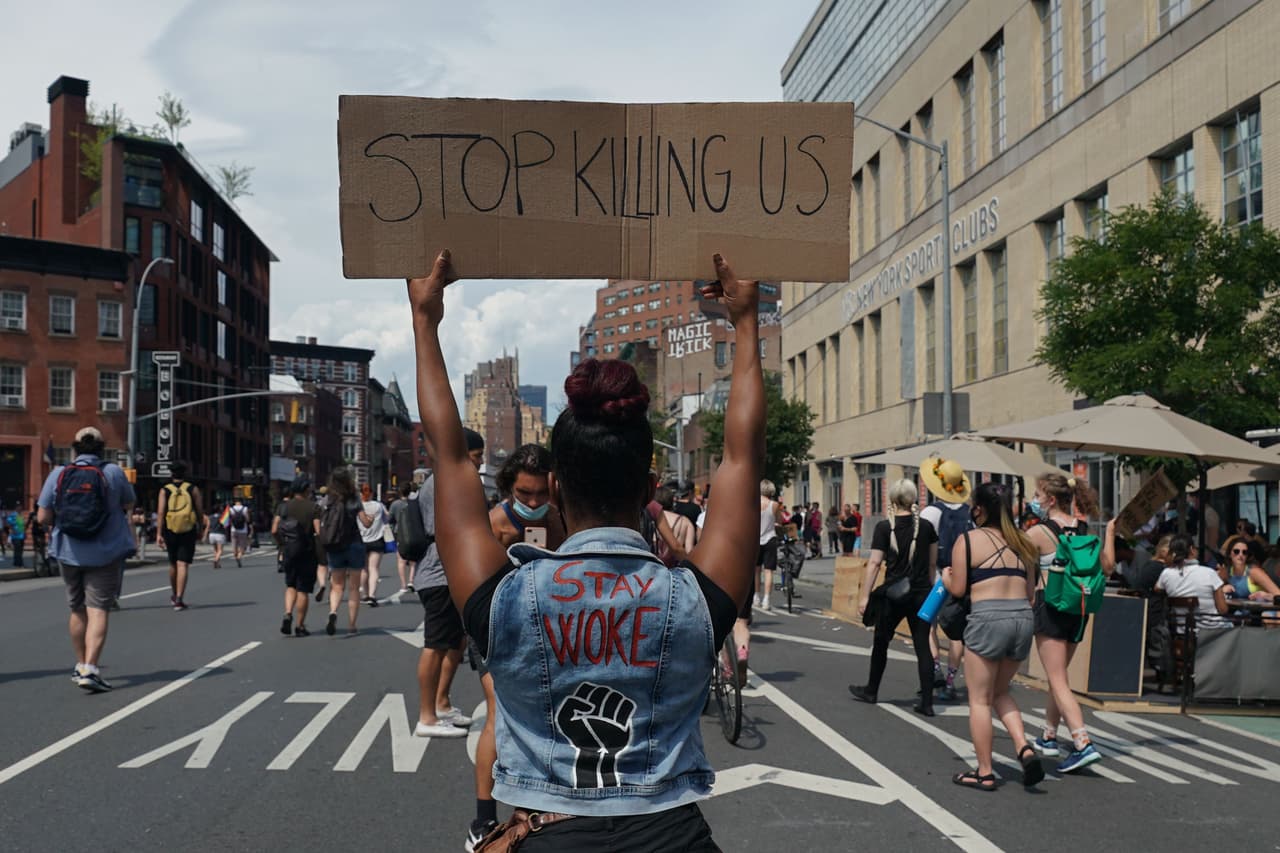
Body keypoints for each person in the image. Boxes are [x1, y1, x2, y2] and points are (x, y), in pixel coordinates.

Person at [409, 249, 761, 849]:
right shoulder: (696, 602)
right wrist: (746, 322)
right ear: (650, 491)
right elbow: (741, 459)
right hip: (674, 837)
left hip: (550, 835)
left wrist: (425, 320)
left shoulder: (505, 601)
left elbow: (449, 459)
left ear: (554, 491)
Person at [467, 444, 568, 849]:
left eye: (541, 493)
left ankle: (540, 808)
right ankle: (482, 819)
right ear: (510, 486)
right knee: (498, 714)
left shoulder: (562, 520)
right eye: (525, 493)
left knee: (550, 719)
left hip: (550, 631)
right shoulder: (494, 523)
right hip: (498, 630)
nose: (534, 502)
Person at [943, 482, 1045, 791]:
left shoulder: (968, 540)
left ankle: (985, 772)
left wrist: (946, 579)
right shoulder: (1024, 542)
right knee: (1000, 692)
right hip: (1022, 620)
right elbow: (1031, 594)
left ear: (980, 509)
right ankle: (1023, 747)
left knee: (979, 700)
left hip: (988, 619)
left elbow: (958, 589)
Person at [36, 427, 136, 692]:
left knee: (77, 609)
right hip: (105, 553)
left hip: (68, 552)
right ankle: (91, 669)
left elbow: (43, 517)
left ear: (75, 448)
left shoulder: (59, 473)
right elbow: (129, 503)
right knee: (98, 610)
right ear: (101, 448)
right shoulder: (113, 472)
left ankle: (80, 664)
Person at [1027, 471, 1114, 773]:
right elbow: (1108, 567)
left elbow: (1019, 565)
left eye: (1037, 495)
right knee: (1060, 676)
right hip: (1079, 607)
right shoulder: (1084, 530)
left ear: (1051, 500)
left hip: (1049, 606)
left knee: (1057, 679)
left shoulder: (1038, 532)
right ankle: (1049, 735)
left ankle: (1082, 742)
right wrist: (1110, 532)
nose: (1034, 501)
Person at [412, 429, 484, 742]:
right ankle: (426, 716)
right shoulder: (447, 480)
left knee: (456, 643)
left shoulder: (444, 479)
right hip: (438, 573)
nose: (479, 463)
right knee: (436, 645)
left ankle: (441, 705)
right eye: (476, 456)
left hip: (448, 573)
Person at [849, 479, 939, 716]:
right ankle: (927, 702)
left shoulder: (884, 528)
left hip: (893, 594)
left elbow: (875, 564)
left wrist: (865, 597)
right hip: (921, 593)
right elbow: (932, 564)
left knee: (881, 641)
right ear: (913, 499)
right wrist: (930, 591)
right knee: (922, 645)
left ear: (891, 499)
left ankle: (872, 689)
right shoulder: (927, 527)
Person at [920, 457, 975, 702]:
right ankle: (951, 681)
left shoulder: (931, 512)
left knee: (927, 625)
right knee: (956, 632)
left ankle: (935, 668)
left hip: (937, 577)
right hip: (964, 577)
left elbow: (922, 546)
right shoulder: (970, 513)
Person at [320, 469, 370, 635]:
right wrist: (371, 520)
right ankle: (352, 625)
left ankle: (333, 611)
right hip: (354, 544)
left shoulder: (327, 499)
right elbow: (365, 522)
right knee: (354, 588)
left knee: (337, 586)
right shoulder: (354, 498)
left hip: (335, 545)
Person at [157, 463, 207, 611]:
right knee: (183, 564)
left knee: (173, 563)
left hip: (170, 529)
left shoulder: (165, 490)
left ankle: (174, 594)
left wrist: (159, 533)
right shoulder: (193, 489)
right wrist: (201, 528)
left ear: (171, 474)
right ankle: (179, 599)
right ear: (185, 474)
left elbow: (161, 512)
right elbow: (199, 511)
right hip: (188, 529)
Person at [274, 477, 320, 637]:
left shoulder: (283, 507)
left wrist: (281, 544)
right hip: (307, 552)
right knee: (303, 590)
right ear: (306, 490)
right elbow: (318, 531)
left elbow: (274, 529)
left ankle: (288, 613)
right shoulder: (313, 507)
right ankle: (300, 626)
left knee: (291, 585)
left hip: (289, 551)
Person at [1155, 535, 1232, 631]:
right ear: (1192, 549)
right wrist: (1222, 580)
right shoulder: (1209, 573)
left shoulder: (1166, 573)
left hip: (1183, 632)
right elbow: (1223, 609)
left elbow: (1157, 589)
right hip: (1211, 632)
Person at [756, 481, 784, 615]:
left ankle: (756, 596)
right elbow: (779, 522)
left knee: (756, 571)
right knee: (768, 571)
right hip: (770, 538)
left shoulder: (754, 503)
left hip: (756, 539)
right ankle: (766, 599)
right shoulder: (775, 505)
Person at [357, 483, 387, 606]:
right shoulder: (378, 506)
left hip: (361, 539)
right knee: (373, 568)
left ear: (360, 494)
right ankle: (372, 595)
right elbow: (387, 517)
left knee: (364, 569)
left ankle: (364, 594)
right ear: (372, 493)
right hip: (377, 538)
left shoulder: (358, 506)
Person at [656, 485, 697, 569]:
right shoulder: (685, 521)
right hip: (675, 569)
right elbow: (689, 551)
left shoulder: (651, 518)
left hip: (653, 569)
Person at [389, 482, 417, 595]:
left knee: (401, 560)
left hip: (399, 532)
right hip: (413, 532)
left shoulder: (395, 504)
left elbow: (390, 519)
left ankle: (403, 584)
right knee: (413, 560)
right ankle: (411, 581)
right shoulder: (414, 503)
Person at [227, 497, 252, 567]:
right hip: (243, 530)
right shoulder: (245, 508)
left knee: (234, 544)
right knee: (242, 546)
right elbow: (248, 519)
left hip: (233, 529)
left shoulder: (231, 509)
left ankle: (235, 554)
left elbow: (228, 520)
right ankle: (239, 556)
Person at [208, 504, 229, 569]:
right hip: (220, 534)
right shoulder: (222, 516)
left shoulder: (210, 517)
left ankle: (218, 564)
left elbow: (208, 525)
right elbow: (225, 525)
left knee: (215, 550)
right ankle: (216, 560)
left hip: (212, 534)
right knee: (220, 550)